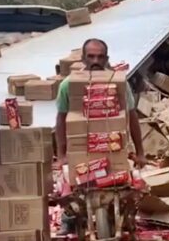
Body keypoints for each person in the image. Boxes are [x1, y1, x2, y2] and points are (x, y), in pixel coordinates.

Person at [54, 38, 145, 166]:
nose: (95, 61)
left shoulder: (119, 83)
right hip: (81, 150)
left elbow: (132, 115)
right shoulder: (68, 85)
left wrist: (140, 153)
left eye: (100, 57)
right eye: (91, 56)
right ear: (83, 59)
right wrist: (62, 155)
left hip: (114, 147)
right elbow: (61, 119)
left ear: (106, 59)